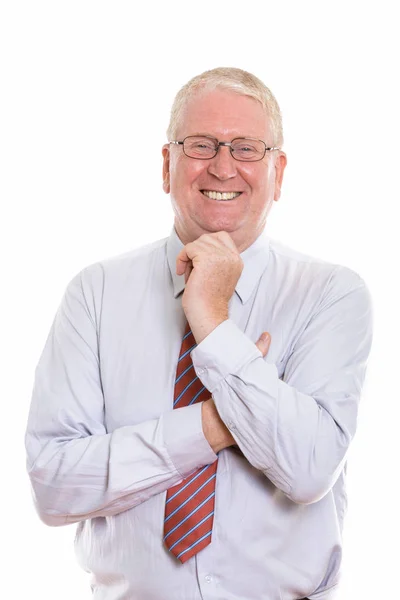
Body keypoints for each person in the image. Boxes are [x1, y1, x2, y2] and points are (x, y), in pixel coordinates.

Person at [25, 67, 373, 600]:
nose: (224, 165)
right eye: (201, 144)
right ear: (167, 166)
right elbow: (54, 486)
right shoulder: (94, 293)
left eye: (247, 148)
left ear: (279, 173)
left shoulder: (332, 294)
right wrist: (216, 422)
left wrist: (210, 321)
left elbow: (308, 470)